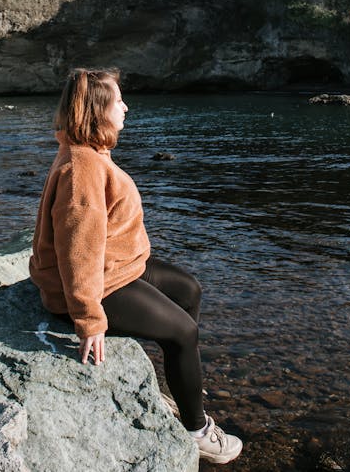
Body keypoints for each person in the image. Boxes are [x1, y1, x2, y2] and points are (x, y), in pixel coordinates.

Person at [29, 68, 242, 465]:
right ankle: (196, 431)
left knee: (189, 288)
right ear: (98, 110)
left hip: (121, 265)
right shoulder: (83, 169)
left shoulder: (91, 151)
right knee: (184, 332)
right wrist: (89, 320)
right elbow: (78, 251)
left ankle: (177, 380)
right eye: (118, 101)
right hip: (98, 283)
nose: (126, 106)